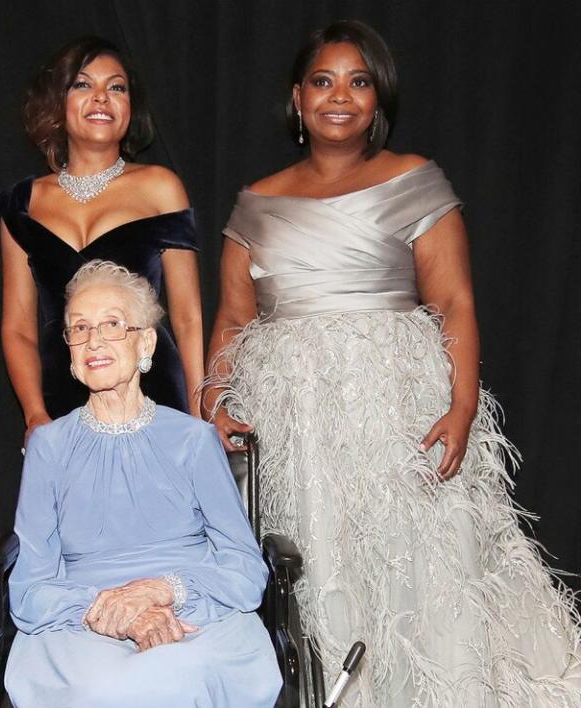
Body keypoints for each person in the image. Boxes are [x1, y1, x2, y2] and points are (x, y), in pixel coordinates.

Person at [204, 20, 581, 706]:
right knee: (322, 563)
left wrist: (462, 409)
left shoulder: (415, 180)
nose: (339, 96)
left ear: (379, 100)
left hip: (396, 408)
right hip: (297, 422)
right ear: (297, 96)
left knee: (418, 563)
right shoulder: (256, 201)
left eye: (359, 81)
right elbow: (233, 317)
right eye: (323, 80)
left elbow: (456, 303)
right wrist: (213, 399)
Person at [4, 260, 280, 707]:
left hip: (194, 616)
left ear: (146, 342)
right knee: (102, 689)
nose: (93, 341)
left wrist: (163, 590)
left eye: (113, 325)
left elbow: (245, 570)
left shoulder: (194, 440)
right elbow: (30, 588)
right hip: (83, 625)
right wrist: (111, 612)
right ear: (71, 354)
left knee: (181, 674)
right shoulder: (49, 448)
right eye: (79, 328)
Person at [0, 37, 203, 441]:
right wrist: (35, 415)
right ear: (57, 102)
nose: (101, 98)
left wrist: (199, 414)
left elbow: (188, 316)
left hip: (153, 391)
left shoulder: (160, 187)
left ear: (131, 106)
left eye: (116, 87)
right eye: (82, 84)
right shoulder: (23, 204)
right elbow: (18, 327)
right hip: (63, 399)